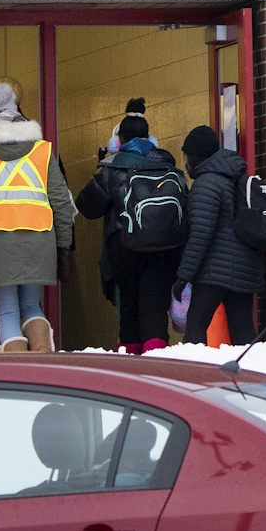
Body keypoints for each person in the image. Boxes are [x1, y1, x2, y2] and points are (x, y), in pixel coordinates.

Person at [0, 78, 75, 353]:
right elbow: (60, 202)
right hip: (39, 238)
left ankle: (20, 373)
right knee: (32, 305)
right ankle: (43, 357)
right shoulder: (42, 149)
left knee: (7, 313)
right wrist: (64, 247)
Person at [77, 114, 184, 353]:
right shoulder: (169, 165)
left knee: (129, 305)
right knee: (155, 306)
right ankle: (156, 358)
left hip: (124, 248)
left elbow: (87, 207)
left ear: (119, 140)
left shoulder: (112, 167)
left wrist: (103, 164)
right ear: (150, 138)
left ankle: (131, 356)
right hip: (165, 249)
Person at [175, 125, 265, 345]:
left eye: (186, 156)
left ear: (194, 156)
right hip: (245, 269)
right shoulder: (238, 177)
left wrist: (183, 276)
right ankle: (250, 376)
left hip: (214, 272)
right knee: (243, 332)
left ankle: (195, 376)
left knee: (195, 327)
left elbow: (200, 235)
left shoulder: (207, 183)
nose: (185, 163)